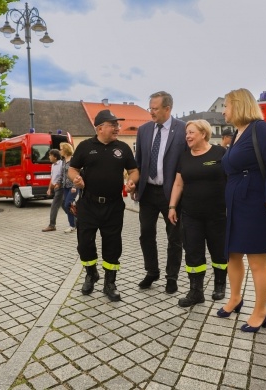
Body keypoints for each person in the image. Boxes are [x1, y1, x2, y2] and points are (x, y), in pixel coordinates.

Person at [219, 88, 266, 333]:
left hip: (256, 201)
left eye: (226, 105)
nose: (224, 111)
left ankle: (261, 311)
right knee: (233, 255)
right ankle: (235, 298)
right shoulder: (237, 133)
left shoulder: (261, 128)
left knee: (257, 262)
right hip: (237, 202)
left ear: (238, 105)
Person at [68, 109, 139, 302]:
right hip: (89, 204)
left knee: (112, 245)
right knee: (84, 244)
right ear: (100, 128)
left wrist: (132, 181)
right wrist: (76, 179)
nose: (117, 128)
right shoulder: (84, 146)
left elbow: (133, 170)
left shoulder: (123, 148)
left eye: (118, 125)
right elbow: (72, 168)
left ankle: (110, 282)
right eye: (113, 125)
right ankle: (91, 274)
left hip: (114, 205)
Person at [168, 120, 227, 307]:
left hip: (217, 214)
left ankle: (220, 284)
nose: (187, 136)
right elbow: (178, 183)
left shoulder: (220, 153)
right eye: (187, 133)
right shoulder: (184, 157)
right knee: (193, 252)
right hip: (191, 214)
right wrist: (171, 207)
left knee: (218, 250)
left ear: (203, 133)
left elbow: (232, 179)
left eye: (191, 132)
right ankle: (196, 292)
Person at [133, 91, 186, 294]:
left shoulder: (182, 130)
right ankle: (151, 271)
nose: (151, 113)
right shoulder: (144, 130)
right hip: (147, 192)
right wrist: (134, 185)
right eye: (150, 108)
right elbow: (138, 162)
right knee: (146, 234)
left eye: (155, 109)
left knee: (174, 237)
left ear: (167, 108)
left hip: (171, 193)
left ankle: (171, 277)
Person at [42, 149, 63, 232]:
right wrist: (49, 188)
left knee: (54, 206)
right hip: (55, 188)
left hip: (60, 188)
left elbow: (63, 176)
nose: (49, 157)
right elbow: (52, 178)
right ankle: (76, 222)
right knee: (65, 206)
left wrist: (59, 184)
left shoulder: (61, 164)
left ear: (55, 156)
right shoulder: (53, 165)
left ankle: (52, 225)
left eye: (50, 155)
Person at [59, 142, 77, 233]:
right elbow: (62, 174)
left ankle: (74, 223)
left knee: (67, 204)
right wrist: (59, 183)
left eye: (61, 149)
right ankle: (73, 224)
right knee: (67, 205)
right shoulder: (63, 161)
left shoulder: (73, 160)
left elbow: (77, 174)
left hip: (73, 186)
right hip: (65, 186)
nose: (60, 151)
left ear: (65, 150)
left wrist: (75, 186)